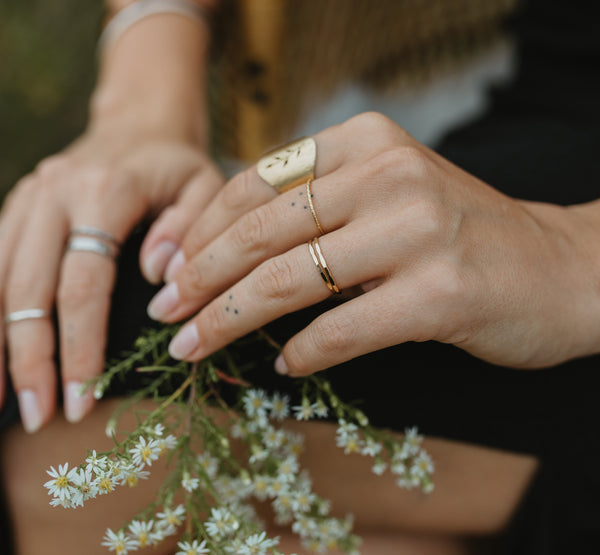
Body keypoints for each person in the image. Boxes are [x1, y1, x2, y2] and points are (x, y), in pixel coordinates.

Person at [1, 0, 599, 553]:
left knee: (77, 411)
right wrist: (143, 106)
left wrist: (572, 255)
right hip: (551, 99)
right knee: (73, 341)